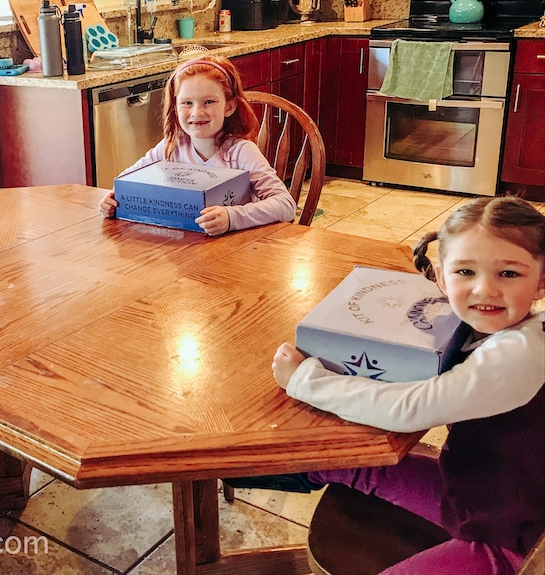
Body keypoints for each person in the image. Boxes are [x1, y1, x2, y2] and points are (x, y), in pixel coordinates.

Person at [227, 196, 545, 574]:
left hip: (515, 538)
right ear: (441, 277)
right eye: (465, 272)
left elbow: (409, 409)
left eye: (508, 274)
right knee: (356, 464)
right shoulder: (502, 327)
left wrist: (305, 380)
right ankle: (247, 469)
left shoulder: (524, 352)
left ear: (542, 281)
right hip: (478, 493)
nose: (484, 290)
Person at [99, 55, 296, 235]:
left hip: (234, 252)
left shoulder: (241, 153)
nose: (196, 112)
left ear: (229, 106)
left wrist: (232, 217)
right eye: (187, 103)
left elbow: (285, 204)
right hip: (182, 250)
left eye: (209, 101)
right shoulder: (170, 147)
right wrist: (113, 199)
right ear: (175, 107)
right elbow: (126, 182)